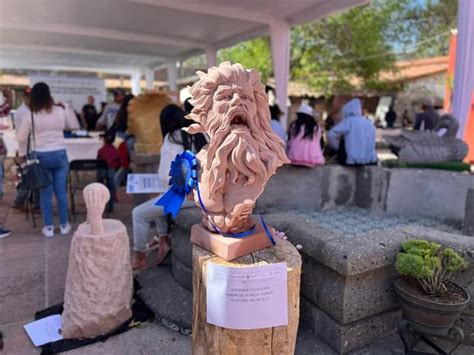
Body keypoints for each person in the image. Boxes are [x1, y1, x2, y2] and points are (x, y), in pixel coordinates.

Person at [131, 104, 200, 270]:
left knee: (138, 214)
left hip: (184, 196)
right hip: (201, 192)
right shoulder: (196, 133)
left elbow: (164, 176)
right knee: (159, 199)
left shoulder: (172, 137)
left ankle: (140, 255)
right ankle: (163, 239)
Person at [17, 82, 79, 237]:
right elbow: (73, 125)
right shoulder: (59, 110)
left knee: (46, 193)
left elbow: (21, 137)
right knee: (61, 192)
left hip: (40, 156)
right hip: (59, 153)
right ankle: (65, 225)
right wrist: (67, 107)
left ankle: (49, 228)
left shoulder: (30, 114)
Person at [327, 98, 377, 166]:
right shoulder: (369, 123)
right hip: (369, 160)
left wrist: (337, 147)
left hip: (351, 160)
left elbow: (331, 134)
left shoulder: (349, 121)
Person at [97, 129, 121, 212]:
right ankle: (111, 206)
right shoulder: (115, 150)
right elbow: (118, 161)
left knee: (100, 184)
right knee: (111, 186)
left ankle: (100, 204)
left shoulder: (101, 150)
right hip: (111, 169)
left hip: (102, 170)